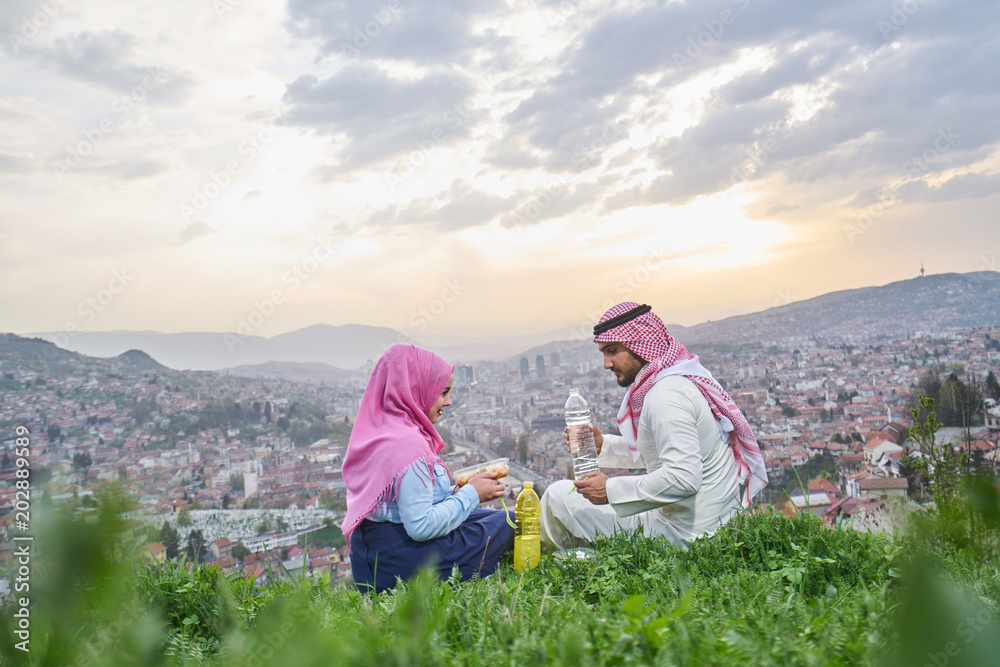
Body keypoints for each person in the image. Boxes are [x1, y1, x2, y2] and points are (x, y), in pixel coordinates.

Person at [539, 302, 768, 548]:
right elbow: (663, 453)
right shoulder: (676, 382)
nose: (606, 364)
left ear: (639, 344)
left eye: (612, 350)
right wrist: (603, 445)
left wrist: (610, 490)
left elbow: (684, 479)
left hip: (685, 536)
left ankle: (557, 563)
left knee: (557, 496)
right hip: (709, 524)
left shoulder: (665, 396)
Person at [342, 344, 513, 594]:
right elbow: (421, 526)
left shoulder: (379, 432)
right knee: (509, 523)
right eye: (442, 392)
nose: (448, 401)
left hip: (372, 559)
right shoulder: (408, 444)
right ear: (415, 389)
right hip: (403, 565)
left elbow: (401, 503)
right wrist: (472, 494)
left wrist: (457, 492)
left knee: (492, 518)